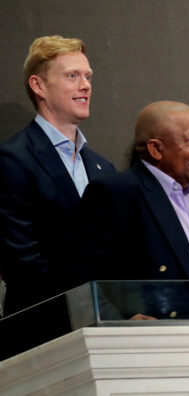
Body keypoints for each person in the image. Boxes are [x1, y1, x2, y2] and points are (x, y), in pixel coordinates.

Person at [76, 101, 189, 320]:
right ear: (156, 149)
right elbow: (81, 280)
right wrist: (119, 325)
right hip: (166, 338)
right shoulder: (118, 193)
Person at [0, 36, 115, 317]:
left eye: (87, 76)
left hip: (107, 323)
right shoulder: (12, 161)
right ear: (38, 85)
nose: (85, 85)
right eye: (72, 76)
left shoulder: (104, 169)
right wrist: (89, 309)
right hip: (44, 326)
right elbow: (24, 263)